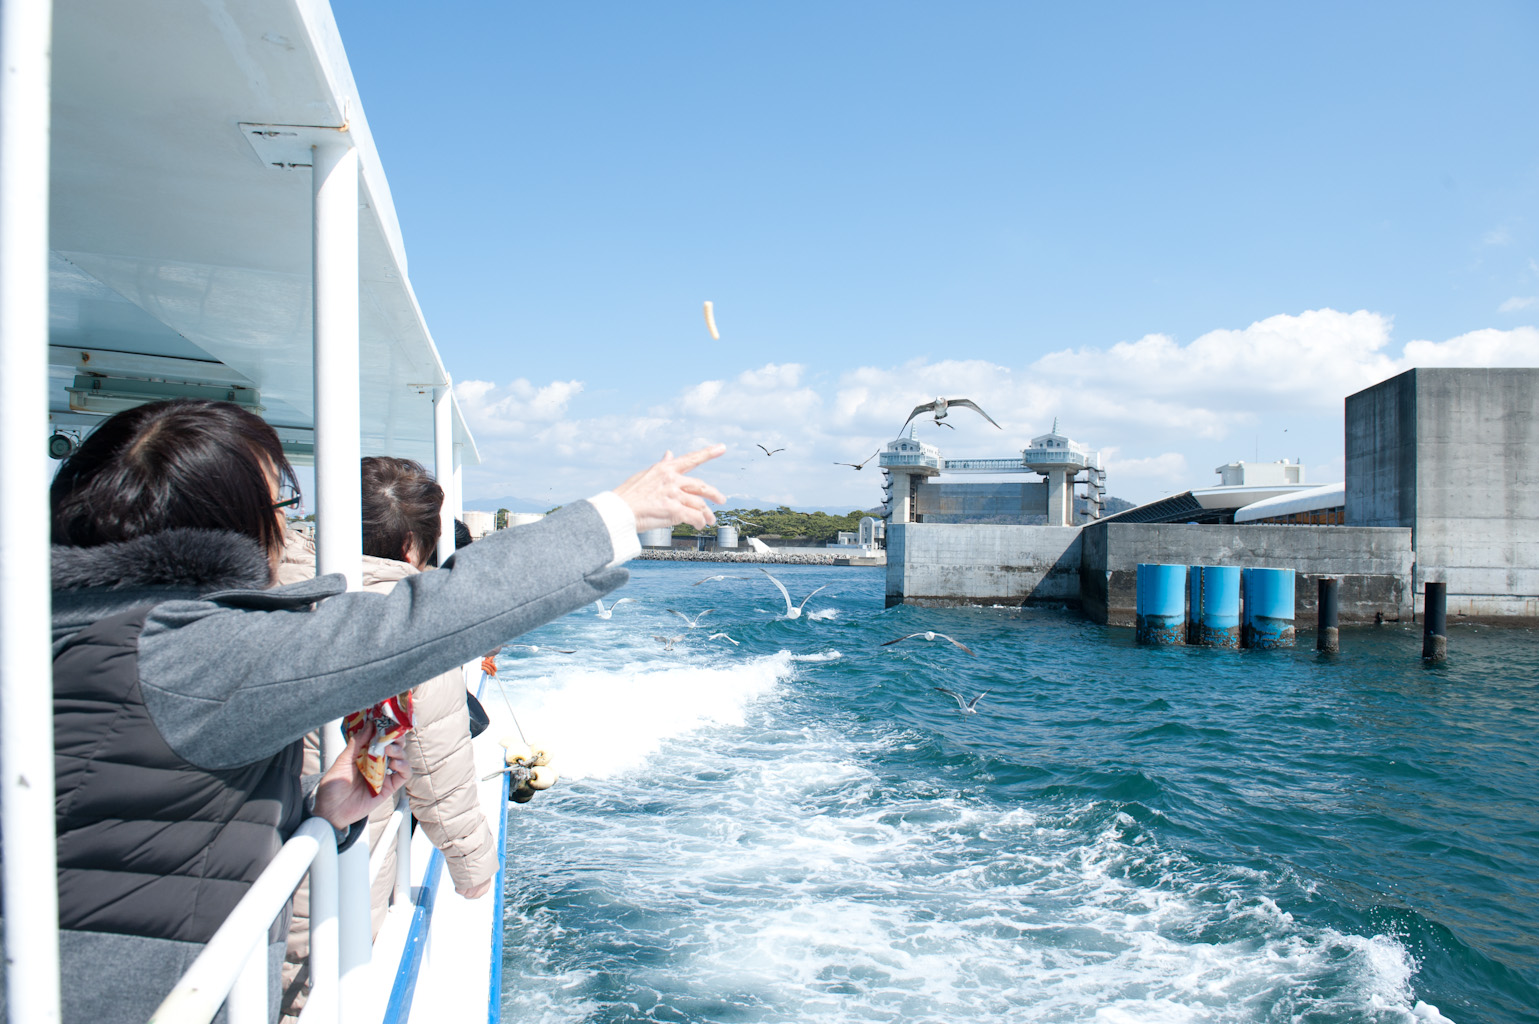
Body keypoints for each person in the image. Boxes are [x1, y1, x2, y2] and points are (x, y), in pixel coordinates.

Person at [41, 398, 722, 1023]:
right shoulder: (187, 651)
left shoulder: (59, 621)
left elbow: (141, 820)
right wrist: (616, 514)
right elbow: (434, 617)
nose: (282, 522)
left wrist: (319, 817)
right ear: (228, 521)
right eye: (277, 500)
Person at [278, 458, 499, 1017]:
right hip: (332, 852)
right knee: (304, 990)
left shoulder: (266, 580)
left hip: (238, 845)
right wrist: (473, 867)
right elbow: (438, 763)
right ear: (410, 547)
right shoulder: (408, 620)